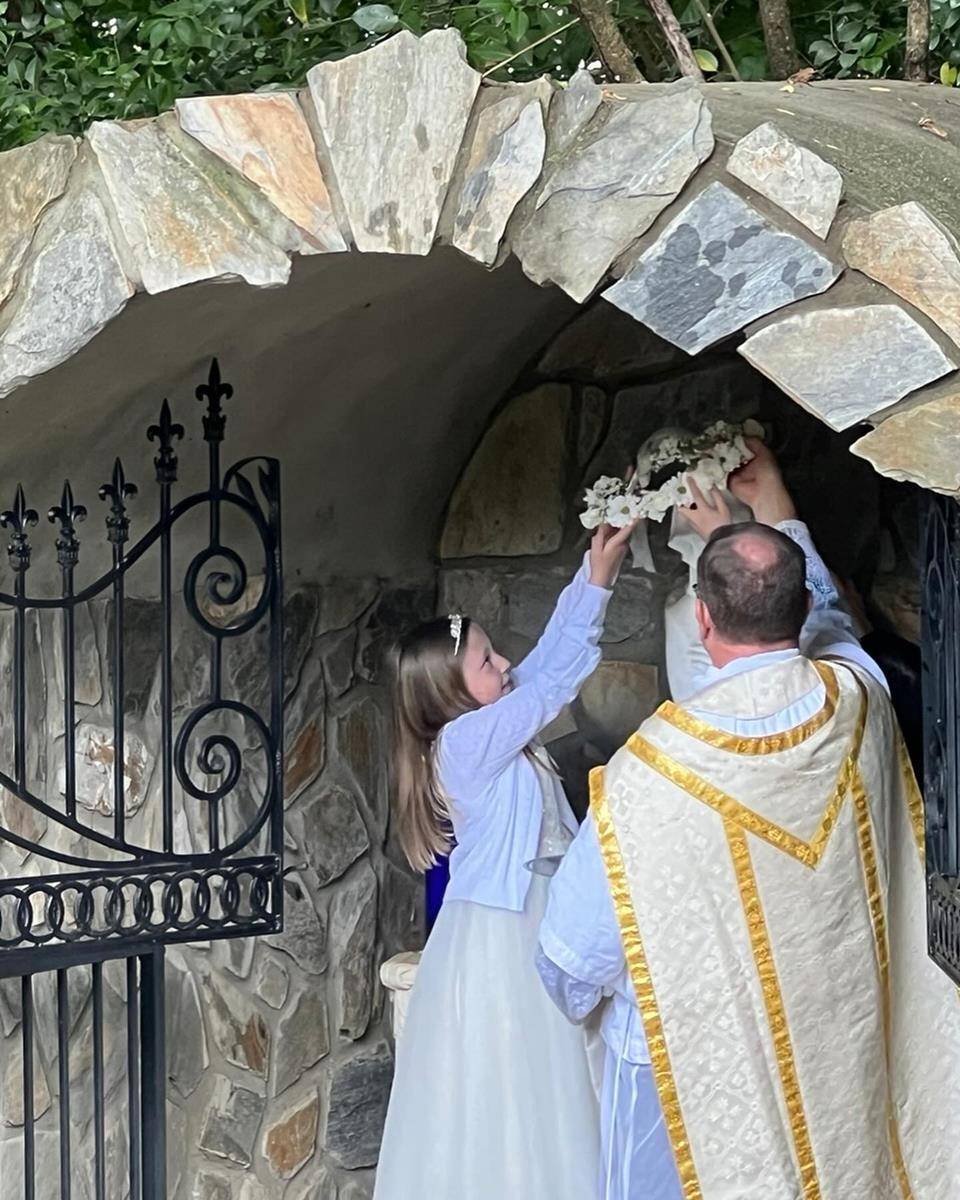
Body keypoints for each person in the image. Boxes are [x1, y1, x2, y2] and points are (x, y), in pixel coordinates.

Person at [538, 441, 960, 1199]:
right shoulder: (856, 704)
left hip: (697, 1095)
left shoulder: (650, 775)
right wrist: (773, 510)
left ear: (700, 618)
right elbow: (836, 631)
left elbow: (570, 964)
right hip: (841, 1051)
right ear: (799, 607)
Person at [373, 515, 638, 1200]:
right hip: (504, 931)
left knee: (556, 1081)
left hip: (537, 910)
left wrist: (595, 575)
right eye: (487, 664)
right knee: (519, 1085)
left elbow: (542, 666)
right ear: (451, 696)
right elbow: (553, 683)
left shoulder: (490, 726)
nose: (505, 666)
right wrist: (595, 586)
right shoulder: (463, 744)